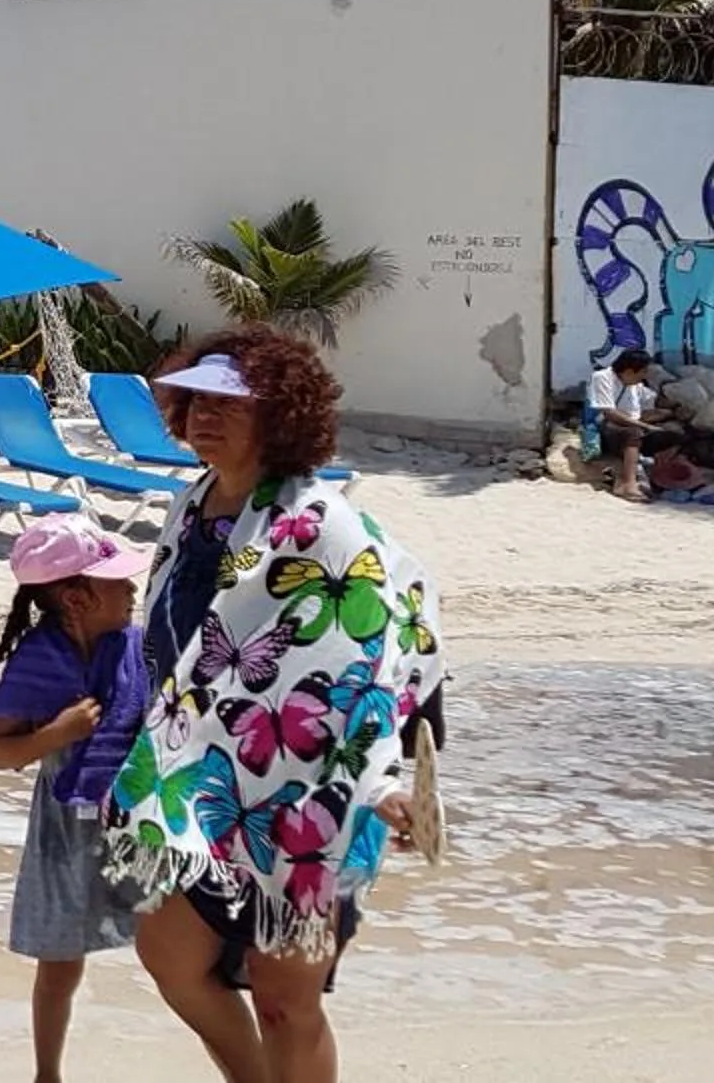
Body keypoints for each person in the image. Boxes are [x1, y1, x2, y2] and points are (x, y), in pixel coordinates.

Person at [114, 328, 437, 1083]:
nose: (206, 416)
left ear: (282, 415)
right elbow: (174, 643)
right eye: (198, 400)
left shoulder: (324, 523)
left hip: (314, 788)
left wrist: (384, 779)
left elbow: (376, 647)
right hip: (202, 774)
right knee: (170, 954)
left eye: (232, 404)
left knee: (286, 997)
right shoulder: (191, 507)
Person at [0, 517, 154, 1083]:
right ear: (77, 597)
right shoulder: (39, 661)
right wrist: (58, 734)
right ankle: (47, 1074)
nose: (131, 590)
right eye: (116, 582)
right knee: (60, 963)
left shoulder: (136, 645)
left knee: (178, 942)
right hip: (64, 829)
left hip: (139, 817)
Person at [585, 348, 682, 501]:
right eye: (642, 372)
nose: (644, 376)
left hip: (634, 425)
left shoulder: (636, 385)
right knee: (633, 432)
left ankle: (657, 478)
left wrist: (675, 407)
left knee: (675, 434)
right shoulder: (602, 378)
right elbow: (610, 413)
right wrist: (646, 427)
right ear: (629, 371)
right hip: (608, 428)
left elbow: (652, 400)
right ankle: (627, 484)